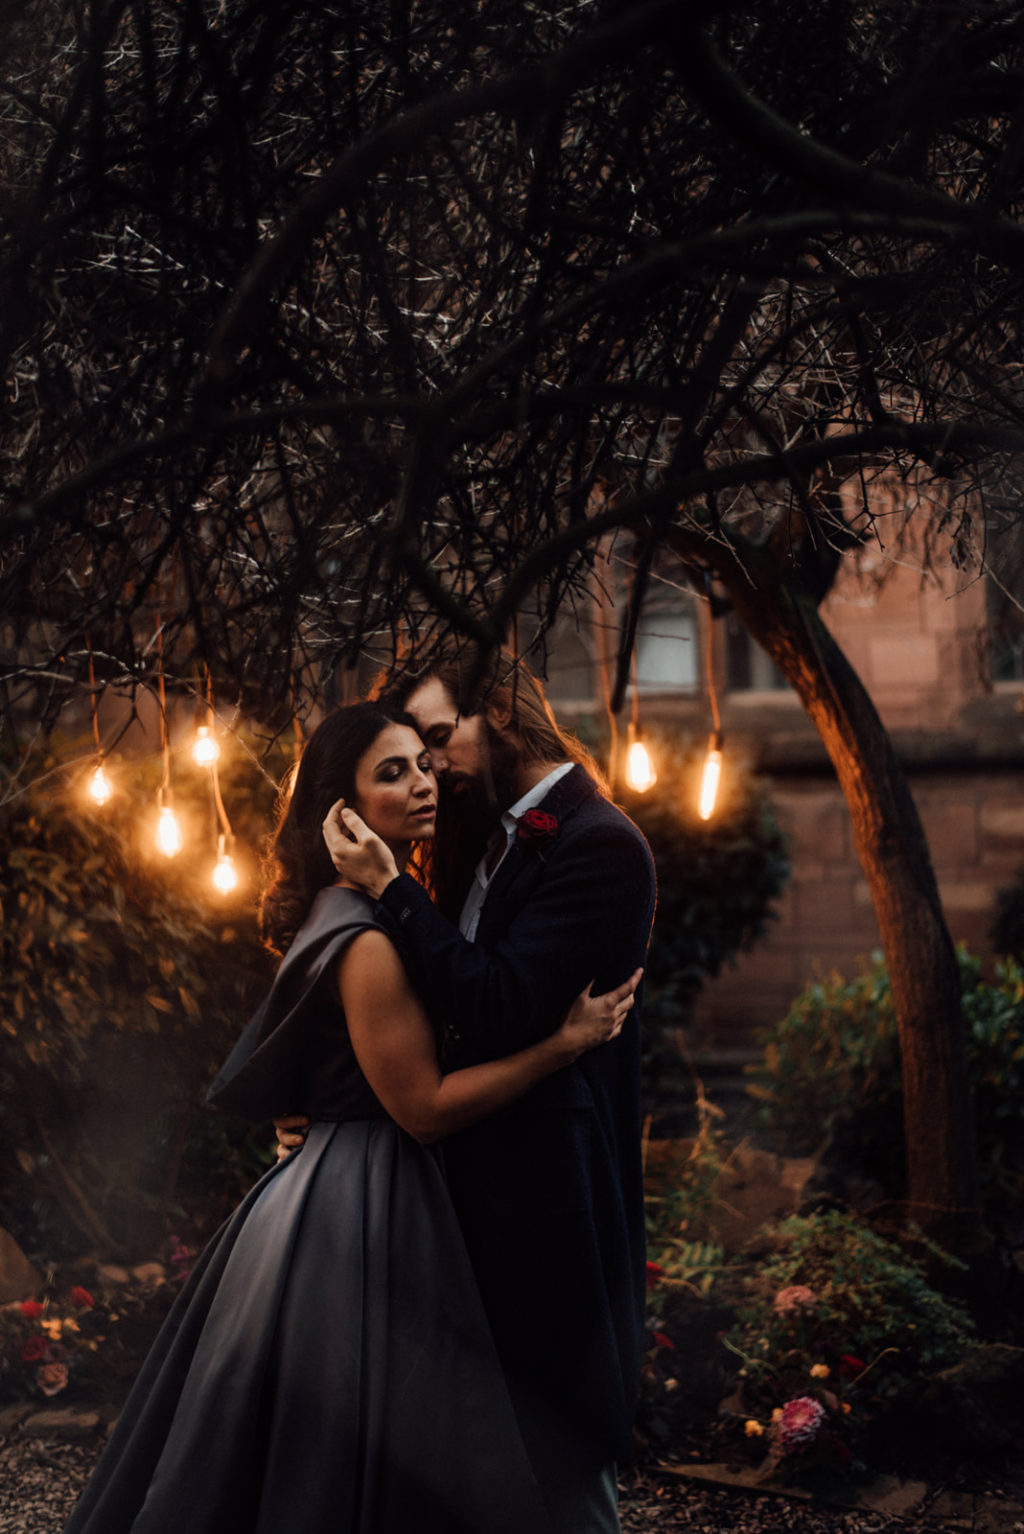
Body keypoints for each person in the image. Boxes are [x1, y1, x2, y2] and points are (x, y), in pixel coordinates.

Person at [63, 701, 639, 1534]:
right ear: (341, 809)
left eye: (423, 760)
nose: (424, 782)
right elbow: (426, 1111)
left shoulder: (384, 908)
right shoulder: (367, 932)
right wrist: (564, 1044)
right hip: (363, 1204)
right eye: (392, 771)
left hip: (359, 1177)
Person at [305, 651, 658, 1534]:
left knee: (561, 1450)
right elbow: (422, 995)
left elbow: (496, 1005)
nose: (429, 771)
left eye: (435, 741)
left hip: (549, 1195)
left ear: (495, 713)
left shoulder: (603, 845)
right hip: (461, 1184)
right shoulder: (478, 829)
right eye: (411, 759)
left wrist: (389, 887)